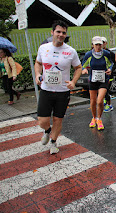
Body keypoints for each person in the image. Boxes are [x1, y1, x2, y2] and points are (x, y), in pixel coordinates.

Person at [35, 20, 82, 154]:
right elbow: (38, 63)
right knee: (42, 121)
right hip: (46, 89)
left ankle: (54, 142)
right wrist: (38, 74)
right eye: (58, 32)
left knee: (57, 119)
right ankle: (47, 131)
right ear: (52, 32)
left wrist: (73, 82)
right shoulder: (43, 48)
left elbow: (78, 68)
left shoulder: (70, 51)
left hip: (63, 92)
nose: (61, 35)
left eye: (63, 33)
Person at [82, 36, 113, 130]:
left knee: (99, 101)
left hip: (103, 80)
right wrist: (84, 70)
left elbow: (111, 63)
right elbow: (82, 65)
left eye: (100, 44)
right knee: (93, 101)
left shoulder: (106, 53)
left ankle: (99, 119)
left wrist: (110, 69)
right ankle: (94, 118)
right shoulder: (89, 54)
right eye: (96, 45)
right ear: (93, 45)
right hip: (93, 80)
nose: (98, 46)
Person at [101, 36, 115, 113]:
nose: (101, 44)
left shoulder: (110, 53)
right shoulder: (95, 53)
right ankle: (104, 101)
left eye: (103, 42)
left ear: (106, 43)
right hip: (99, 76)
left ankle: (109, 105)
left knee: (106, 91)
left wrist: (110, 69)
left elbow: (115, 62)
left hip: (108, 76)